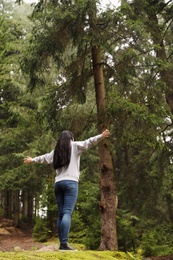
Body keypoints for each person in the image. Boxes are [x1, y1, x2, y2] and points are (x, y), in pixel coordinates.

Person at [24, 129, 110, 251]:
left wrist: (32, 160)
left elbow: (45, 158)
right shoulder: (74, 146)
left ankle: (62, 243)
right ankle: (64, 244)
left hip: (58, 184)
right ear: (71, 138)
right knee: (67, 212)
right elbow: (88, 142)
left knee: (61, 214)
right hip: (71, 183)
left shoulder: (56, 151)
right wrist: (101, 136)